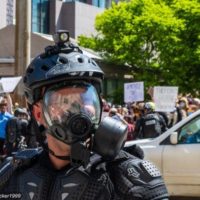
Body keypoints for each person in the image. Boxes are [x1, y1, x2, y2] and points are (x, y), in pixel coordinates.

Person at [0, 30, 169, 199]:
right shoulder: (13, 175)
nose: (77, 109)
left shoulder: (132, 180)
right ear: (38, 113)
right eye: (63, 101)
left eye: (85, 99)